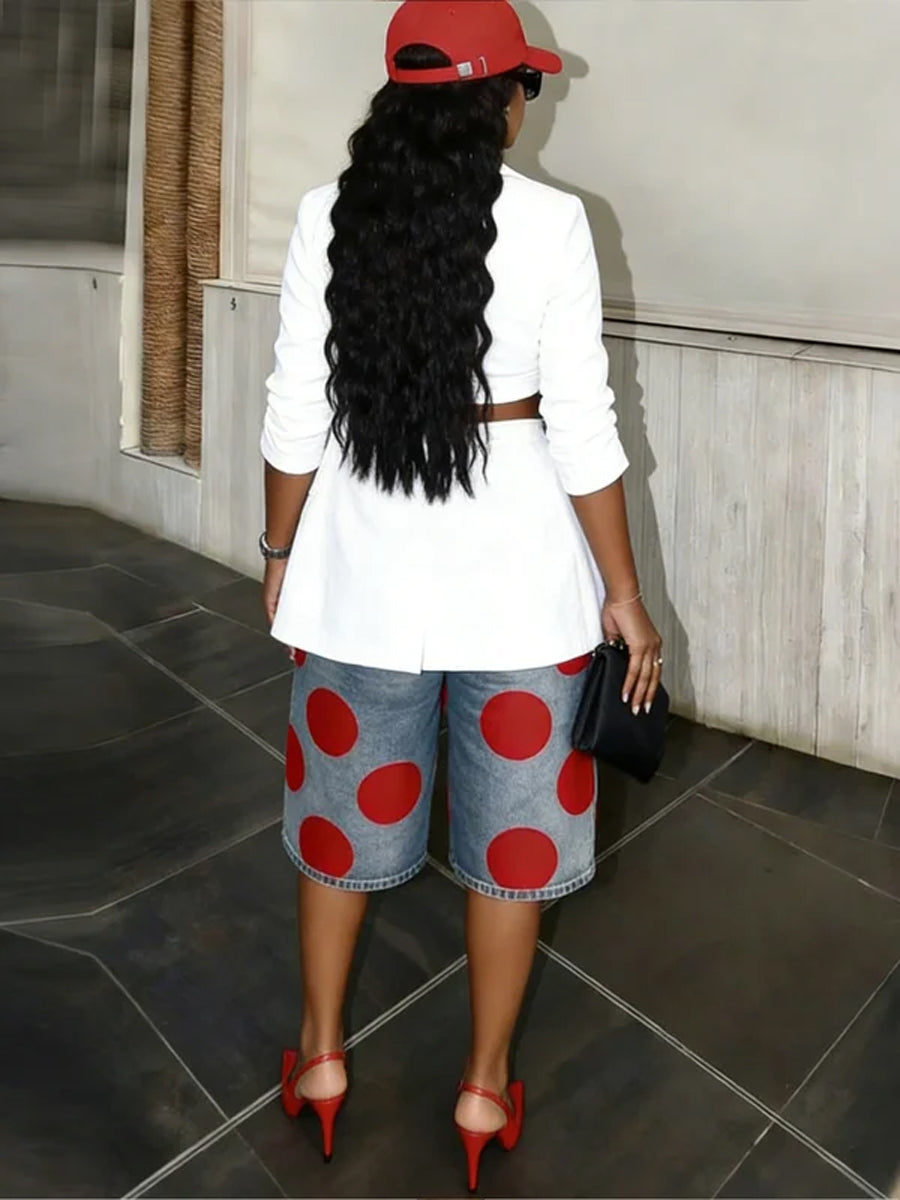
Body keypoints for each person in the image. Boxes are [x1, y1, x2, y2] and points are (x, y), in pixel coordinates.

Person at [259, 0, 662, 1190]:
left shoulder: (326, 216)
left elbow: (295, 413)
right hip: (525, 596)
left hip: (358, 587)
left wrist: (280, 552)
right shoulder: (554, 223)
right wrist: (624, 593)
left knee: (339, 829)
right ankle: (485, 1088)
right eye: (523, 84)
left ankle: (320, 1061)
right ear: (502, 100)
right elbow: (583, 428)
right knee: (511, 845)